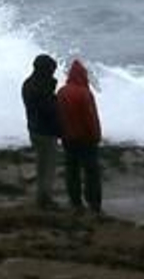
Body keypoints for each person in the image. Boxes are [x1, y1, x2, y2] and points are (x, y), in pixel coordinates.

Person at [56, 59, 103, 214]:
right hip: (86, 139)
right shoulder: (84, 93)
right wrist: (97, 135)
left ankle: (75, 201)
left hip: (68, 138)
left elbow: (58, 116)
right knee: (91, 172)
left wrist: (60, 134)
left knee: (72, 170)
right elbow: (91, 117)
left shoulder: (62, 92)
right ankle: (94, 202)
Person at [21, 53, 62, 208]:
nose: (53, 73)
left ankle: (41, 196)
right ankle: (45, 198)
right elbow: (50, 110)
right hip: (46, 131)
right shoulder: (41, 88)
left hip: (34, 129)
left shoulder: (27, 84)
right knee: (48, 167)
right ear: (45, 70)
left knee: (41, 165)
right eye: (51, 70)